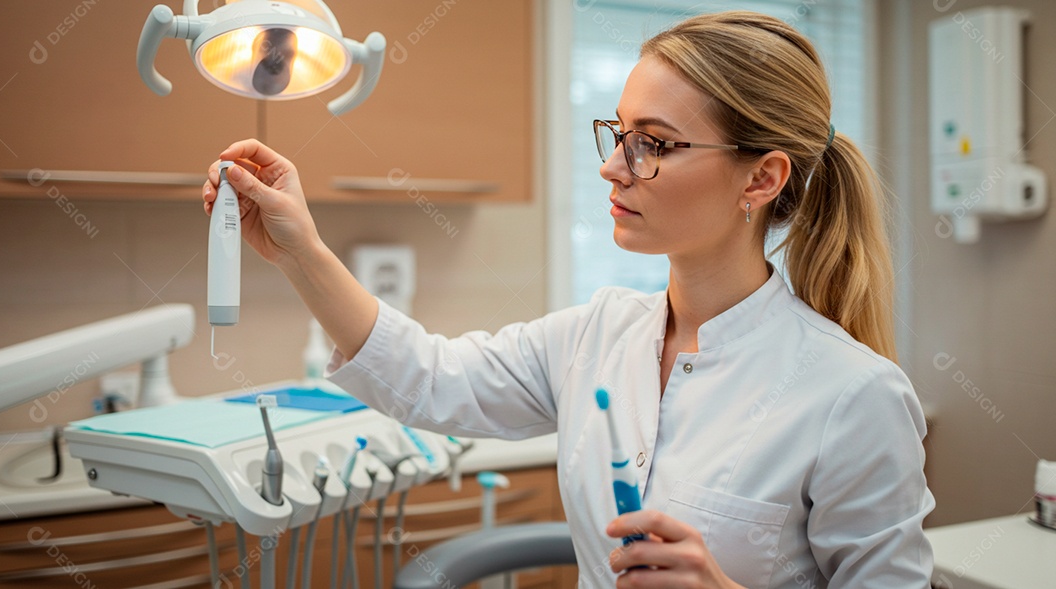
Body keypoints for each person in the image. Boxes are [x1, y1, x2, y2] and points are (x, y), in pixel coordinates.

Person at [203, 10, 933, 588]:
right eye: (619, 133)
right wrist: (300, 248)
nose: (615, 167)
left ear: (760, 179)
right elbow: (429, 378)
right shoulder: (600, 333)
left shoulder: (852, 396)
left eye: (655, 143)